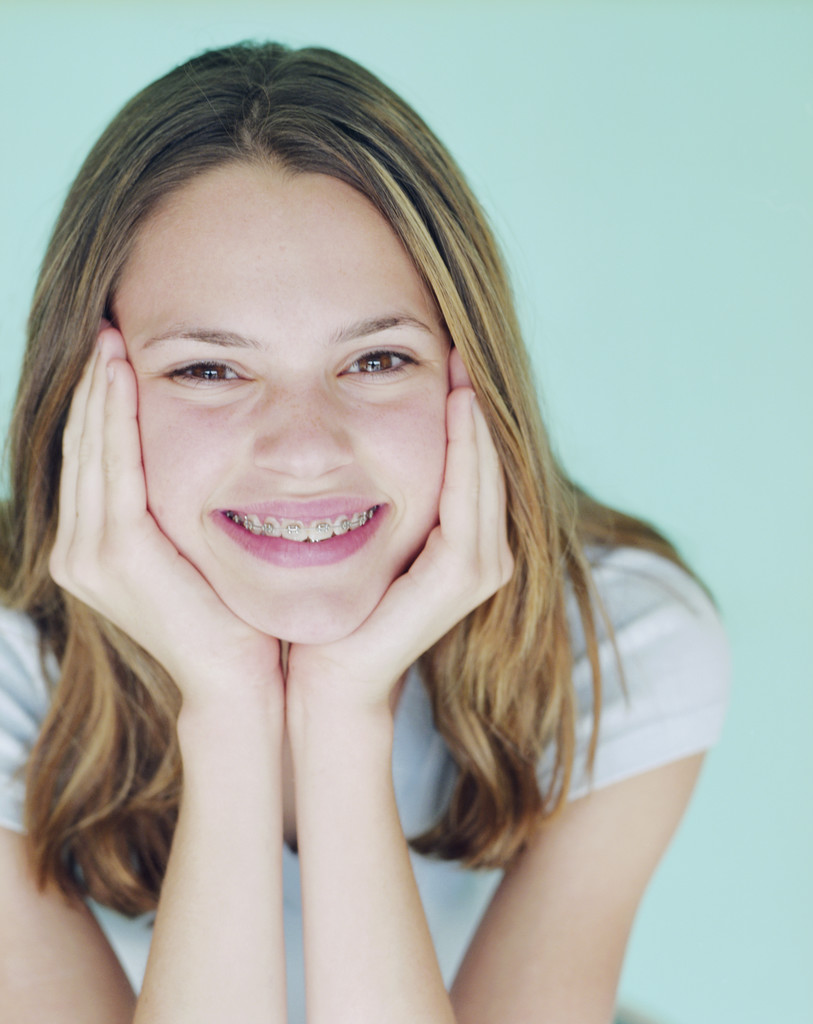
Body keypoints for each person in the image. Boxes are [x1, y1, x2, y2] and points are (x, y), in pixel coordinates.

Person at [0, 41, 730, 1023]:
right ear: (86, 398)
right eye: (209, 370)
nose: (305, 448)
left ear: (474, 383)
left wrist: (344, 711)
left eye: (378, 359)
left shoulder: (621, 638)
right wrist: (225, 706)